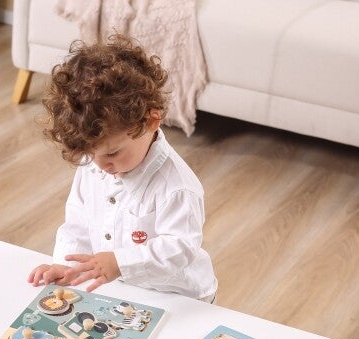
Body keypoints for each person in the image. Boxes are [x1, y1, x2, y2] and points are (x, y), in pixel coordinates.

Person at [28, 34, 218, 302]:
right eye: (90, 154)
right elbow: (78, 223)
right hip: (122, 290)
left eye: (112, 153)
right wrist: (66, 266)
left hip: (178, 297)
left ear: (151, 121)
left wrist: (120, 262)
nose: (101, 165)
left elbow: (180, 248)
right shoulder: (94, 165)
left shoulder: (177, 187)